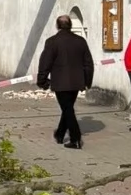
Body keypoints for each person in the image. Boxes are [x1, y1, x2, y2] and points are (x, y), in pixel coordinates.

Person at [36, 15, 95, 149]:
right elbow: (88, 63)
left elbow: (45, 62)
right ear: (70, 25)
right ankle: (60, 134)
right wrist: (87, 80)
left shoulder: (52, 41)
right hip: (76, 82)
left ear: (57, 26)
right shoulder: (80, 41)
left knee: (67, 109)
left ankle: (76, 138)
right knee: (67, 108)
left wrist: (42, 81)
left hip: (60, 82)